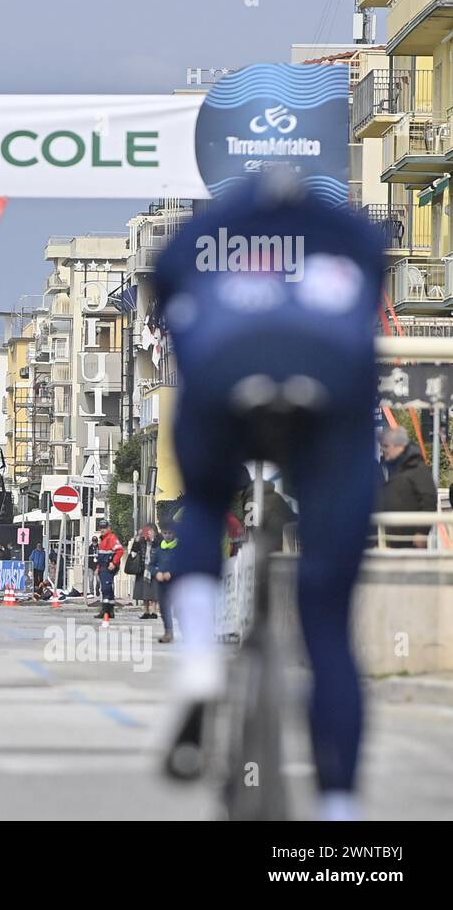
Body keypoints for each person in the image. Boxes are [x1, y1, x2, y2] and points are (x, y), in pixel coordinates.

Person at [153, 172, 387, 821]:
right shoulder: (348, 230)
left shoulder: (205, 234)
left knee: (201, 502)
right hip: (328, 381)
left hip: (226, 371)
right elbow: (373, 292)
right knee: (328, 625)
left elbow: (165, 294)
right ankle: (339, 811)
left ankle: (198, 660)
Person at [378, 427, 436, 548]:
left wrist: (422, 532)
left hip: (410, 541)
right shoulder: (398, 468)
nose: (383, 450)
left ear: (400, 446)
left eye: (386, 446)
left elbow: (429, 499)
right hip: (394, 539)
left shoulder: (416, 467)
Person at [153, 521, 179, 642]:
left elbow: (183, 564)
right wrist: (156, 573)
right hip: (162, 583)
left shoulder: (179, 548)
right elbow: (151, 565)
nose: (167, 535)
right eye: (165, 533)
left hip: (176, 583)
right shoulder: (159, 550)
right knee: (164, 608)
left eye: (169, 533)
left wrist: (172, 573)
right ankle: (168, 632)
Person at [125, 524, 158, 619]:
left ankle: (154, 611)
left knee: (154, 592)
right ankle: (146, 611)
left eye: (151, 531)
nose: (149, 533)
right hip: (142, 569)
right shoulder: (141, 542)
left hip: (153, 569)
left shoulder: (157, 541)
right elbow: (133, 551)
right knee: (144, 592)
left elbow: (159, 547)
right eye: (147, 531)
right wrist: (137, 538)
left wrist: (152, 539)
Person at [94, 519, 124, 620]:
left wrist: (114, 563)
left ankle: (105, 611)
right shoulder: (103, 539)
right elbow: (100, 556)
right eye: (101, 528)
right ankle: (109, 611)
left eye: (104, 528)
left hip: (107, 567)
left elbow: (120, 551)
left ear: (108, 528)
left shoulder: (111, 538)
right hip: (103, 567)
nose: (102, 529)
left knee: (106, 589)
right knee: (108, 590)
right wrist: (98, 568)